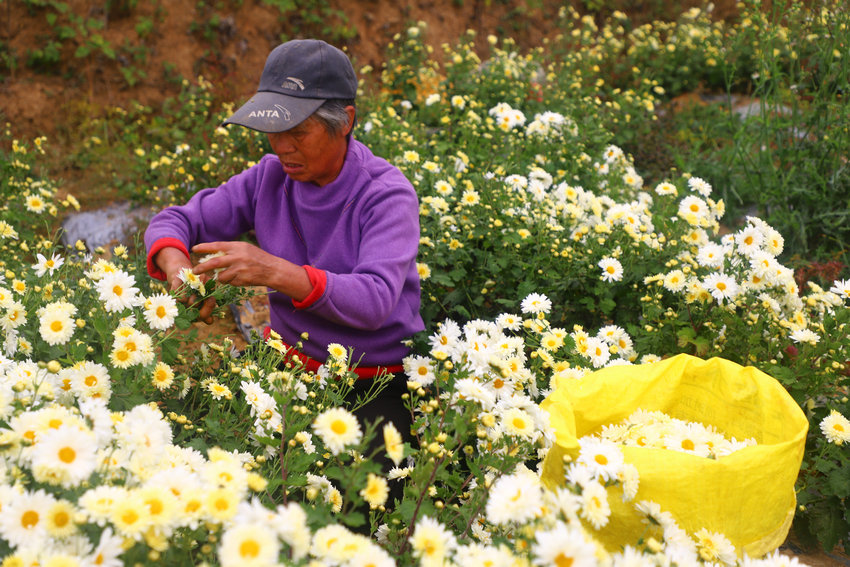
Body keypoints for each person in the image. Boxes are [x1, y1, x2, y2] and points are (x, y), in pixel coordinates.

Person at [144, 39, 424, 488]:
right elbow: (175, 221)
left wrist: (273, 271)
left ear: (346, 121)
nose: (283, 148)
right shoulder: (269, 177)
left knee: (362, 500)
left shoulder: (385, 194)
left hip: (372, 376)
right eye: (274, 132)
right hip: (285, 359)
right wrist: (178, 269)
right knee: (194, 431)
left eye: (299, 133)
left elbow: (374, 301)